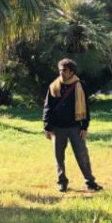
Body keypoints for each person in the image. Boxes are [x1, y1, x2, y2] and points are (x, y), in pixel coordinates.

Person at [43, 58, 102, 193]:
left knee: (82, 156)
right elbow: (47, 107)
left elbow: (86, 108)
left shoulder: (80, 86)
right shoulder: (53, 86)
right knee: (59, 157)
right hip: (57, 128)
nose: (62, 72)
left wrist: (84, 127)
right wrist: (47, 127)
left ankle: (90, 182)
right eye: (60, 70)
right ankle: (62, 183)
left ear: (72, 72)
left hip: (75, 128)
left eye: (65, 70)